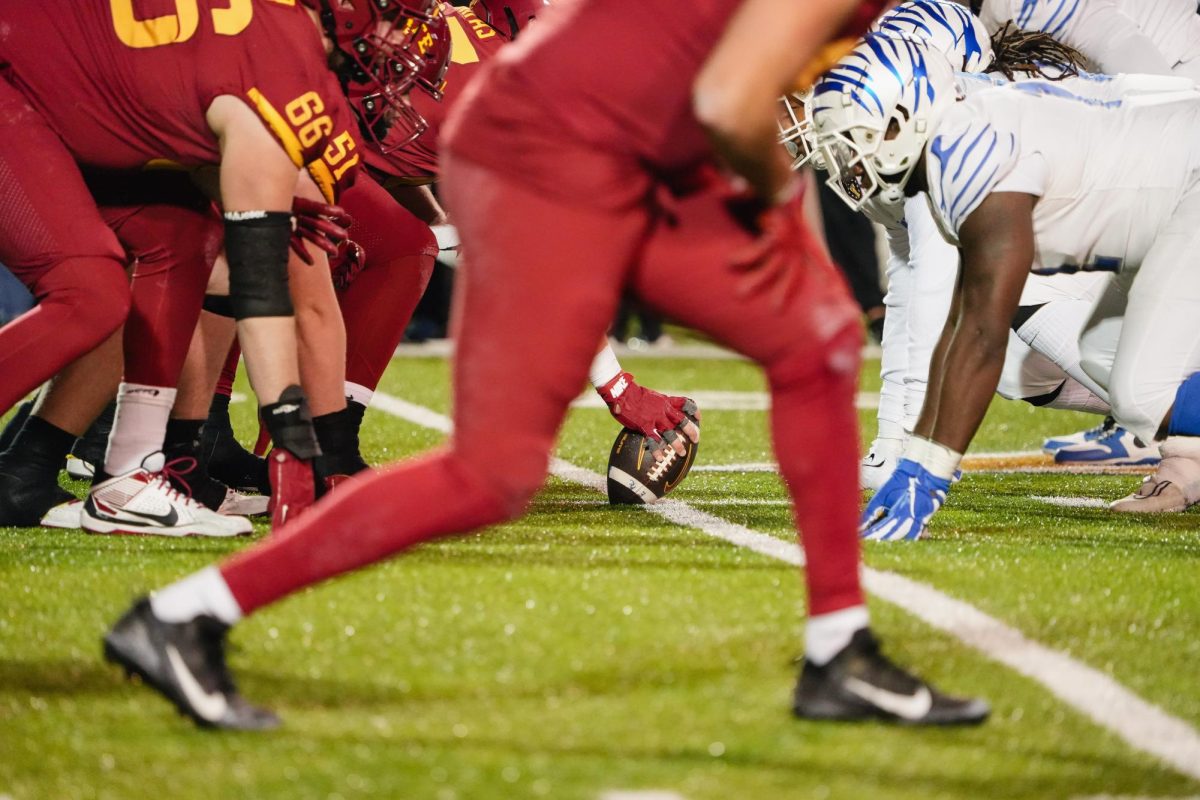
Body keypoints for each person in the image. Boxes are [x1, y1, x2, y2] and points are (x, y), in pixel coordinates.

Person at [102, 0, 989, 730]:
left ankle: (840, 648)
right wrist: (771, 214)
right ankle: (186, 615)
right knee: (492, 476)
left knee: (819, 342)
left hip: (608, 148)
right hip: (554, 154)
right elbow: (727, 98)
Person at [811, 33, 1200, 540]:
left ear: (904, 115)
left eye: (856, 137)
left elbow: (981, 333)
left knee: (1143, 391)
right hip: (1170, 197)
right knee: (1103, 351)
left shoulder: (969, 150)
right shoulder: (960, 138)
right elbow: (959, 322)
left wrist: (928, 477)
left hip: (1186, 186)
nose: (847, 162)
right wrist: (917, 461)